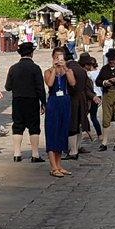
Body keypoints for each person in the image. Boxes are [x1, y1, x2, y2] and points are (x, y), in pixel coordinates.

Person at [4, 42, 48, 163]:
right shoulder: (35, 68)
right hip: (32, 100)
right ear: (31, 53)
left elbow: (7, 87)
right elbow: (40, 87)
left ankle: (17, 154)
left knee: (17, 126)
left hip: (17, 100)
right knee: (34, 127)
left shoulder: (13, 68)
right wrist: (43, 103)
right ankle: (35, 154)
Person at [44, 47, 75, 177]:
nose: (58, 60)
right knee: (52, 132)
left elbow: (72, 83)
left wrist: (65, 68)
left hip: (65, 102)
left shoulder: (68, 70)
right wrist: (54, 69)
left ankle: (59, 164)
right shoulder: (47, 71)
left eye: (61, 57)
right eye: (56, 57)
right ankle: (53, 166)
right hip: (53, 103)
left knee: (62, 133)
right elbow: (50, 84)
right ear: (53, 57)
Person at [63, 49, 92, 160]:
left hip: (72, 99)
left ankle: (73, 151)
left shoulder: (69, 69)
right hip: (82, 100)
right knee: (79, 124)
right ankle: (77, 147)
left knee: (72, 125)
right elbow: (86, 87)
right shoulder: (82, 70)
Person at [81, 54, 104, 140]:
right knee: (94, 116)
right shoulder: (100, 72)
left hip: (91, 96)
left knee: (85, 114)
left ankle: (87, 131)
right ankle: (99, 134)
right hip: (99, 95)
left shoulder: (88, 74)